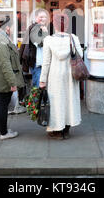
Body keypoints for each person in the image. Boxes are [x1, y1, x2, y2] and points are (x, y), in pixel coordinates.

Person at [39, 12, 83, 140]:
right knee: (69, 100)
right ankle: (67, 129)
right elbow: (80, 55)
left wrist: (42, 80)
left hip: (55, 75)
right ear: (67, 24)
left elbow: (46, 62)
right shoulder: (73, 38)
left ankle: (57, 131)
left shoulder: (48, 40)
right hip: (70, 74)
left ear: (54, 24)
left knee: (56, 102)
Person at [0, 14, 25, 140]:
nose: (13, 29)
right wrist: (12, 82)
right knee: (2, 105)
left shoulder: (1, 38)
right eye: (12, 26)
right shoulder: (2, 41)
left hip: (0, 78)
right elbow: (5, 64)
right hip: (4, 80)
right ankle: (4, 133)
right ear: (7, 27)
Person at [20, 8, 49, 87]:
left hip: (38, 63)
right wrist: (45, 33)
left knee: (38, 86)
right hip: (37, 63)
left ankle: (36, 99)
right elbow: (39, 43)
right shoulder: (35, 28)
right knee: (38, 87)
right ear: (36, 17)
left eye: (45, 17)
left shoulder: (40, 28)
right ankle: (34, 100)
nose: (43, 19)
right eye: (41, 17)